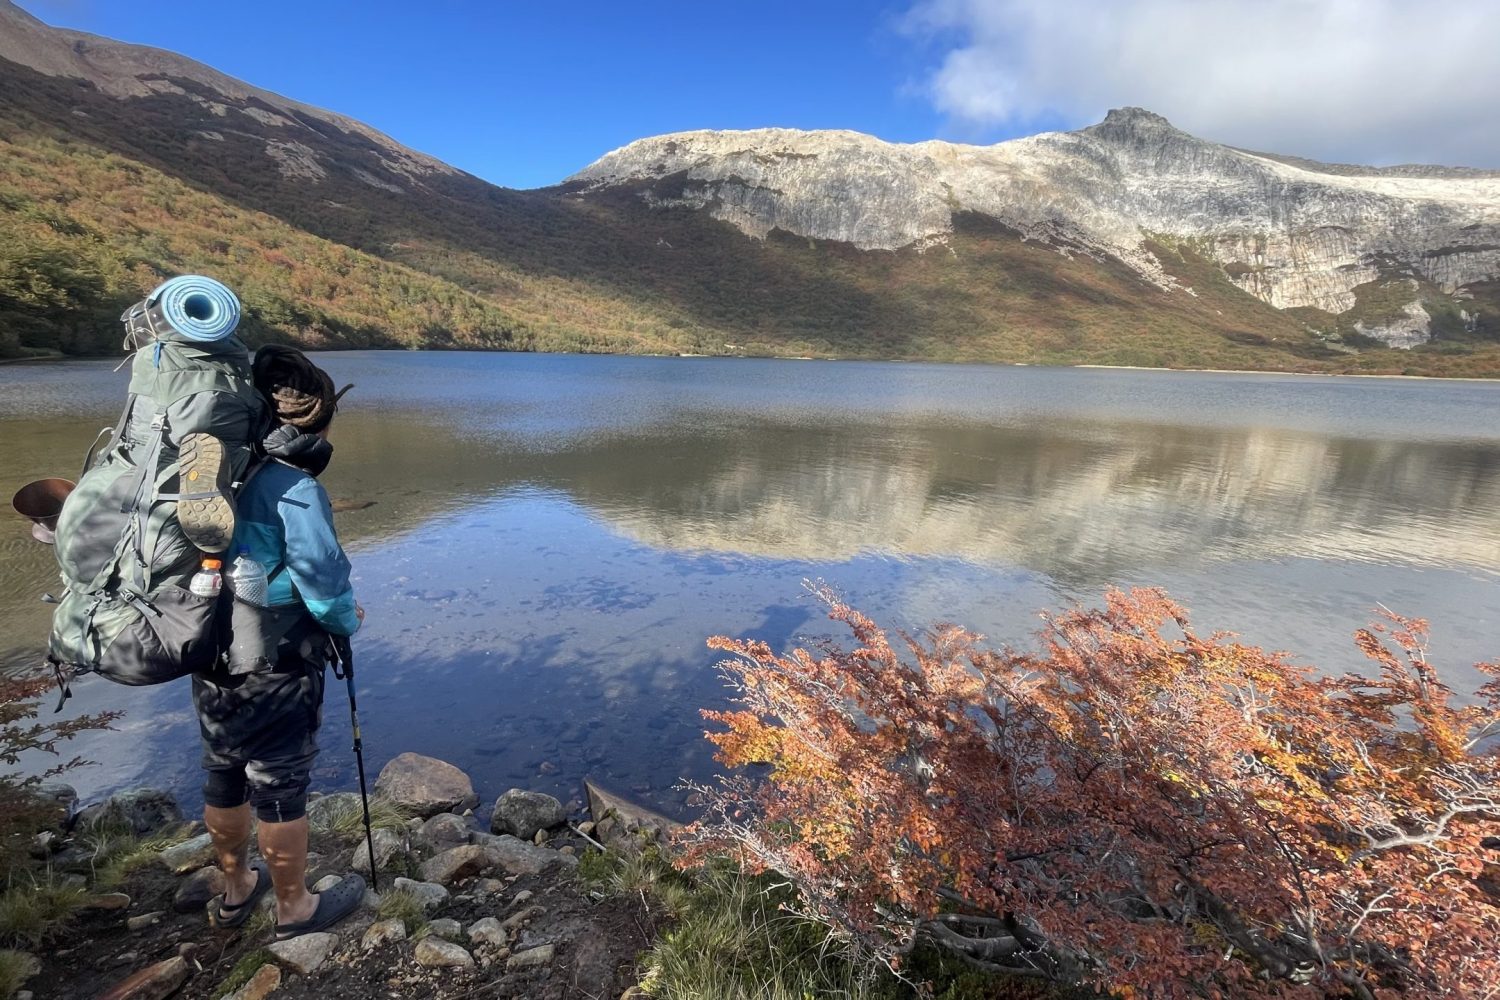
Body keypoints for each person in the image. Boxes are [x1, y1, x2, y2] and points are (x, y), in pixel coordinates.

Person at [195, 345, 365, 939]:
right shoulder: (293, 487)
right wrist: (348, 621)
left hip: (208, 646)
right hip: (278, 657)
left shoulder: (212, 475)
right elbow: (323, 583)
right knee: (279, 782)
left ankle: (236, 888)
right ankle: (294, 908)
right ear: (313, 426)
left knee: (223, 769)